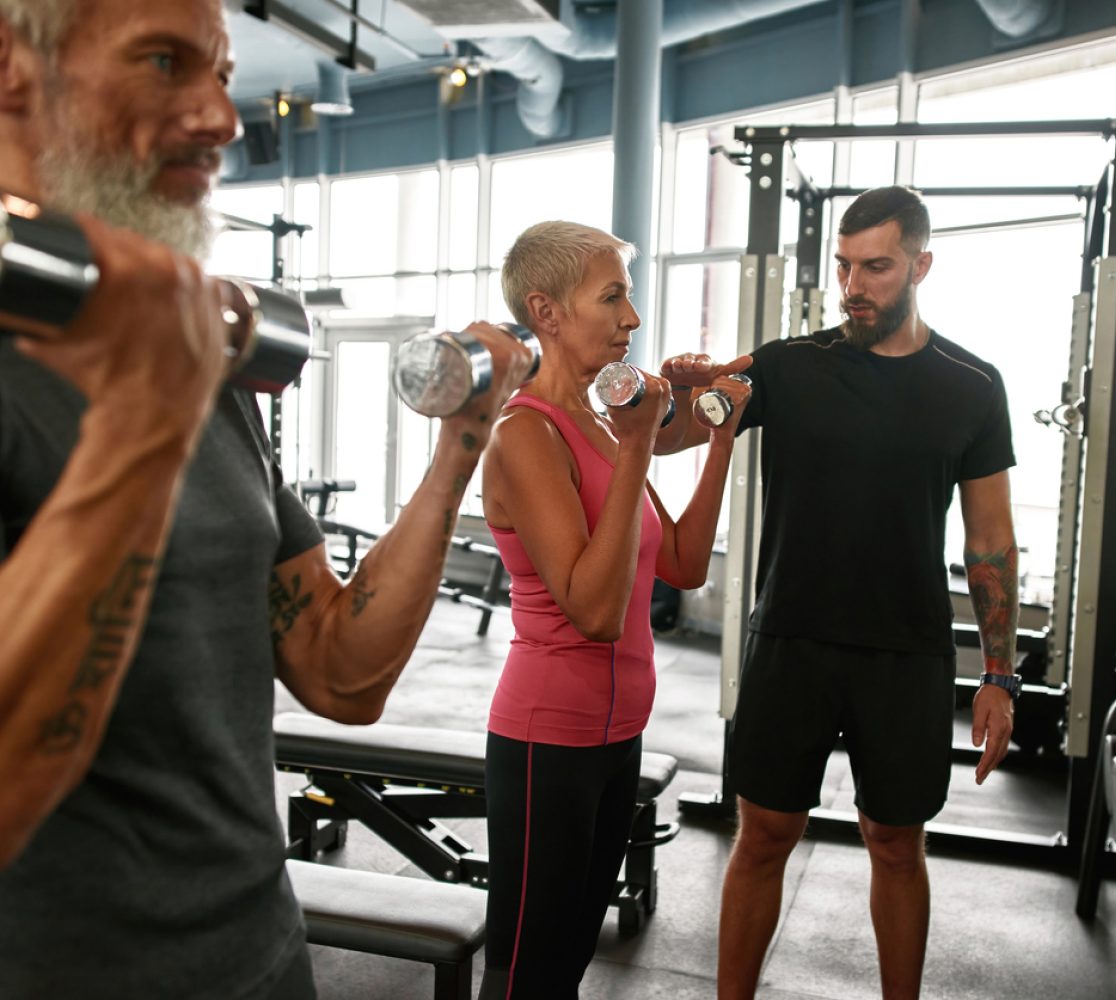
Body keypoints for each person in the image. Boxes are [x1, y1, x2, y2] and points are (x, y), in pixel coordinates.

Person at [0, 2, 532, 997]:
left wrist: (462, 439)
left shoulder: (192, 354)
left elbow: (339, 671)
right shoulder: (162, 370)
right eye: (164, 63)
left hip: (256, 952)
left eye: (220, 71)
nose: (221, 115)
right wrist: (140, 425)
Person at [661, 186, 1019, 1000]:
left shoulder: (972, 384)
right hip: (792, 637)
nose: (855, 286)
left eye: (878, 267)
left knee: (896, 842)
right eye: (845, 267)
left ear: (921, 265)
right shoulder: (787, 365)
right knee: (763, 837)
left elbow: (991, 540)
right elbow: (668, 437)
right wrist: (673, 391)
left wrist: (998, 676)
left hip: (908, 650)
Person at [478, 220, 751, 999]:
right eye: (613, 297)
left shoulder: (602, 425)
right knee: (527, 974)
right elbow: (594, 612)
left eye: (627, 298)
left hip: (617, 735)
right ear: (549, 311)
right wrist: (639, 447)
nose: (631, 318)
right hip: (547, 739)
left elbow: (684, 564)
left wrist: (719, 439)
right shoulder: (526, 435)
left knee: (568, 966)